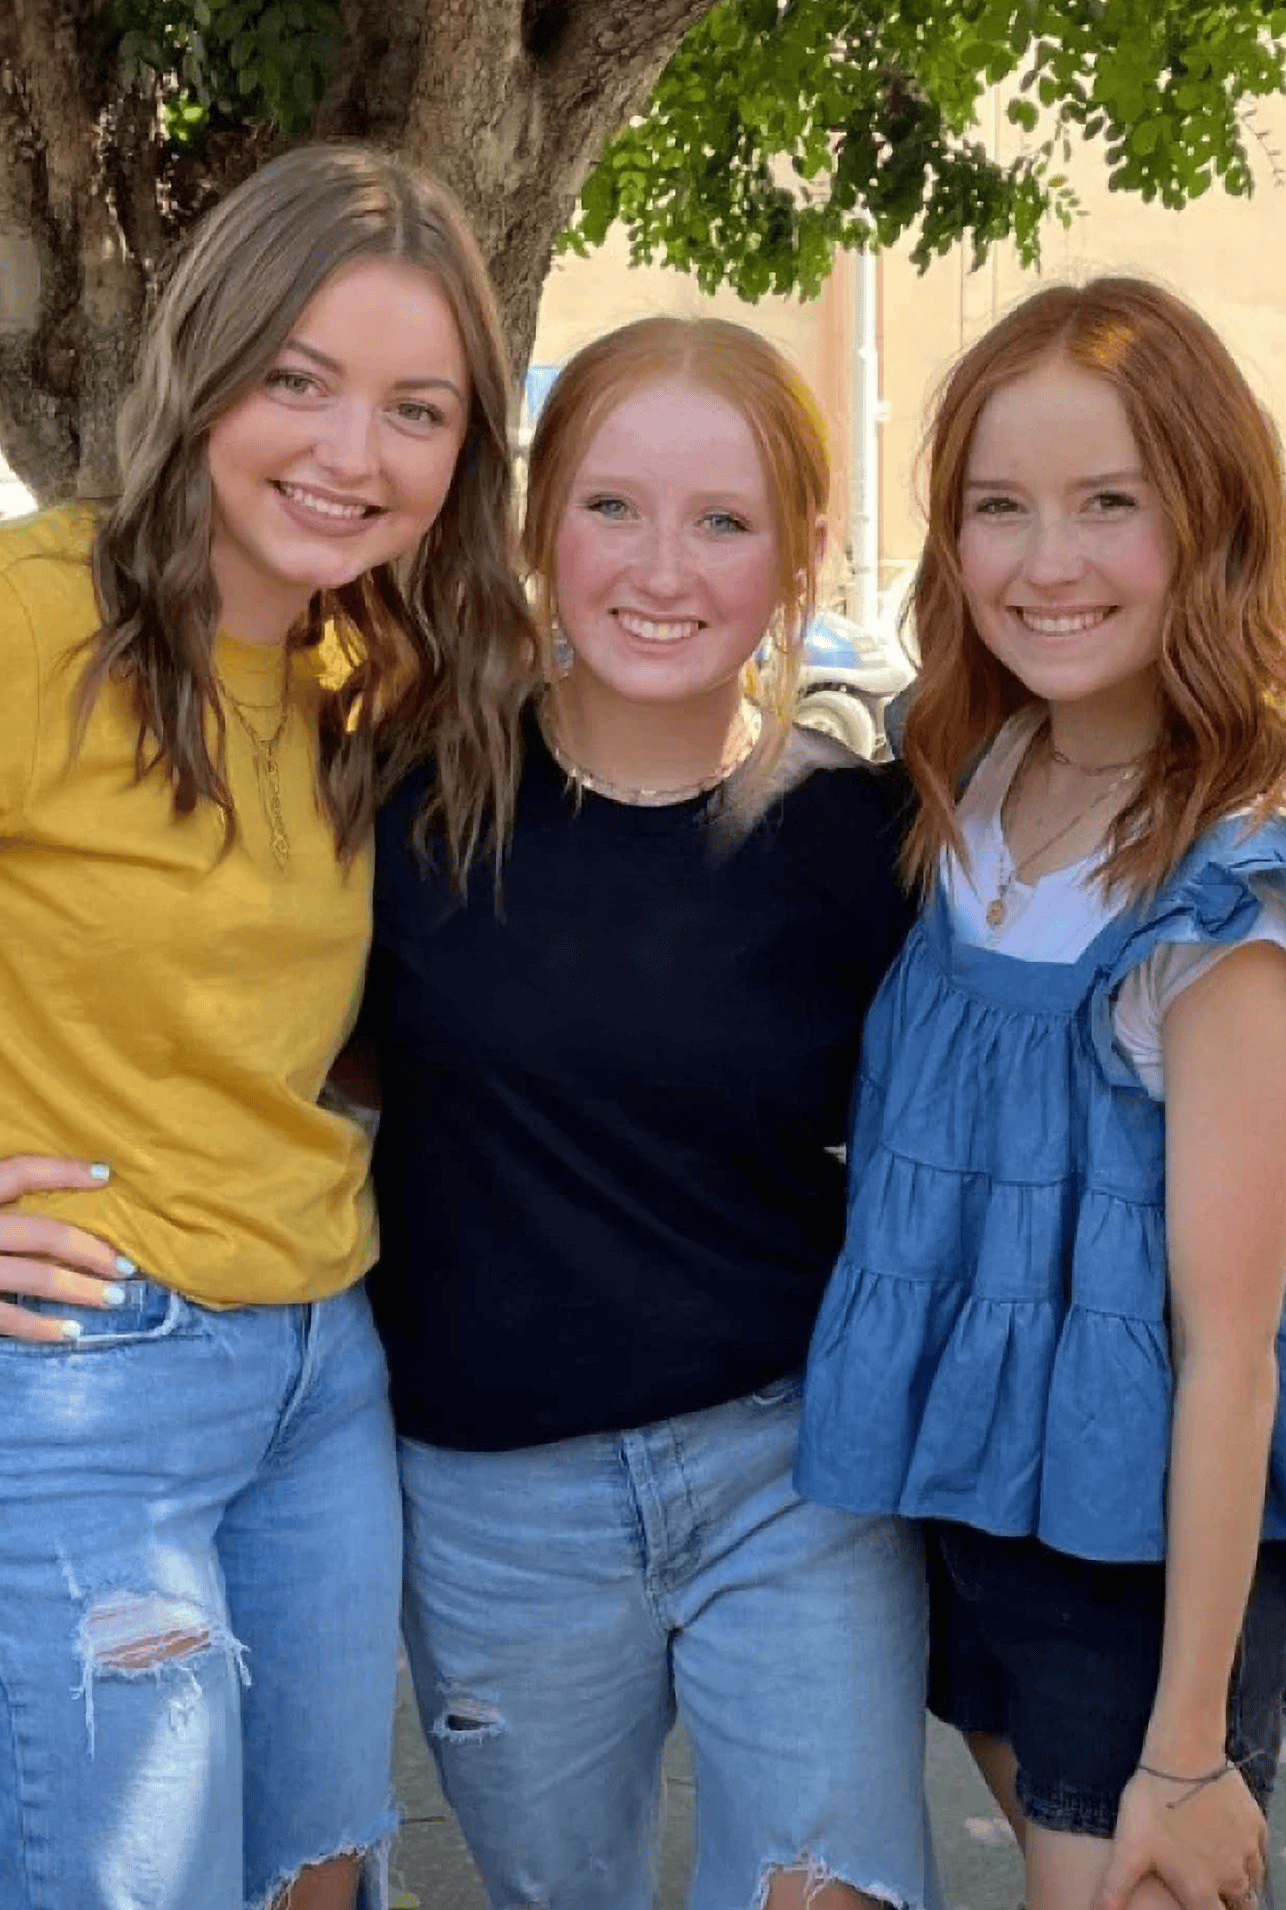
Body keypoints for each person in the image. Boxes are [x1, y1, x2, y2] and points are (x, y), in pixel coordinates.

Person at [0, 142, 534, 1910]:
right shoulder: (34, 616)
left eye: (415, 407)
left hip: (322, 1367)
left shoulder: (357, 680)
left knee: (322, 1879)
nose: (347, 452)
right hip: (86, 1375)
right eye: (296, 380)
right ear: (204, 367)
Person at [360, 314, 940, 1910]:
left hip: (791, 1472)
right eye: (612, 506)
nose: (661, 569)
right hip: (493, 1502)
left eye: (724, 520)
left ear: (796, 555)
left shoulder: (866, 842)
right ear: (541, 524)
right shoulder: (406, 812)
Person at [797, 278, 1286, 1910]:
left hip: (1136, 1566)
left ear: (1209, 520)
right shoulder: (985, 773)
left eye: (1107, 505)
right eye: (997, 507)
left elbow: (1230, 1345)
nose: (1043, 561)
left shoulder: (1228, 885)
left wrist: (1189, 1746)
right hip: (965, 1499)